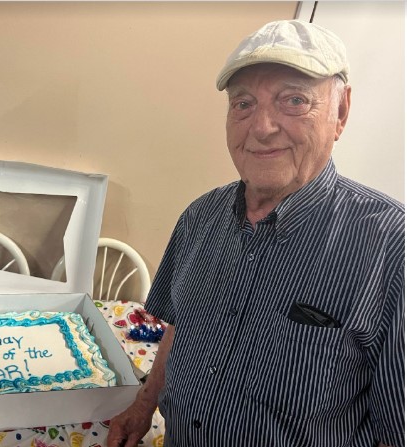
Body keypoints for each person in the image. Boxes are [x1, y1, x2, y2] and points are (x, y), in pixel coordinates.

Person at [107, 19, 404, 447]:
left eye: (294, 100)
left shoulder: (393, 248)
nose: (261, 127)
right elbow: (181, 327)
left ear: (340, 113)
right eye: (243, 103)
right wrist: (144, 404)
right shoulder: (199, 217)